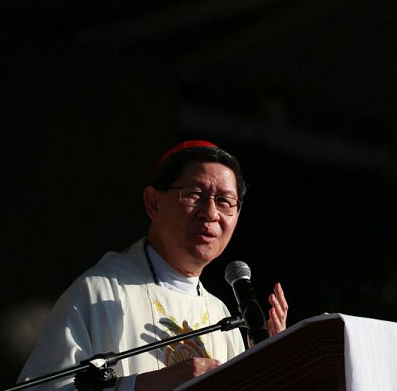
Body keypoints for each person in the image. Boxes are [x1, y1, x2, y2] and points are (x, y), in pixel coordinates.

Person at [17, 140, 288, 391]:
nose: (211, 213)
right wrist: (141, 386)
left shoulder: (222, 316)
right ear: (154, 203)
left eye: (225, 202)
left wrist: (271, 366)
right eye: (195, 194)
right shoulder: (98, 292)